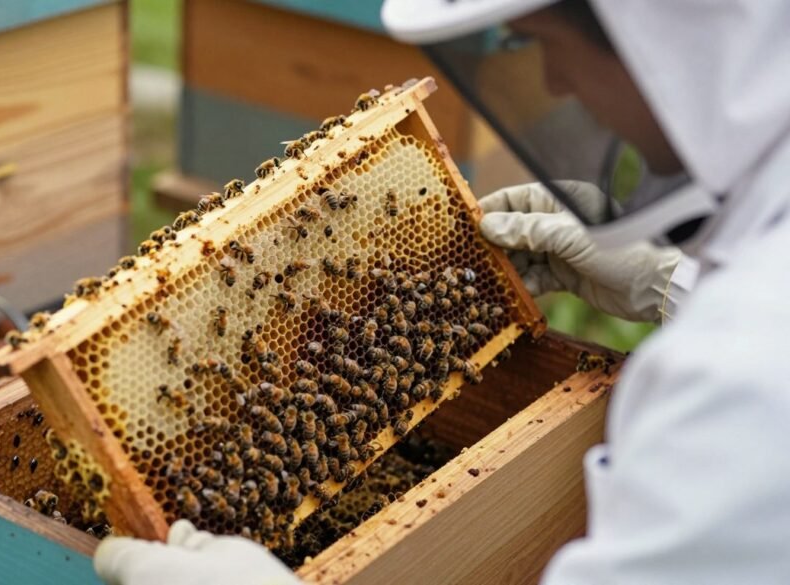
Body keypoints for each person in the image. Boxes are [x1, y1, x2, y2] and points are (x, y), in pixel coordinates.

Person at [94, 0, 790, 583]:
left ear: (663, 38)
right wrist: (679, 283)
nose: (552, 80)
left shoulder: (735, 391)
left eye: (545, 40)